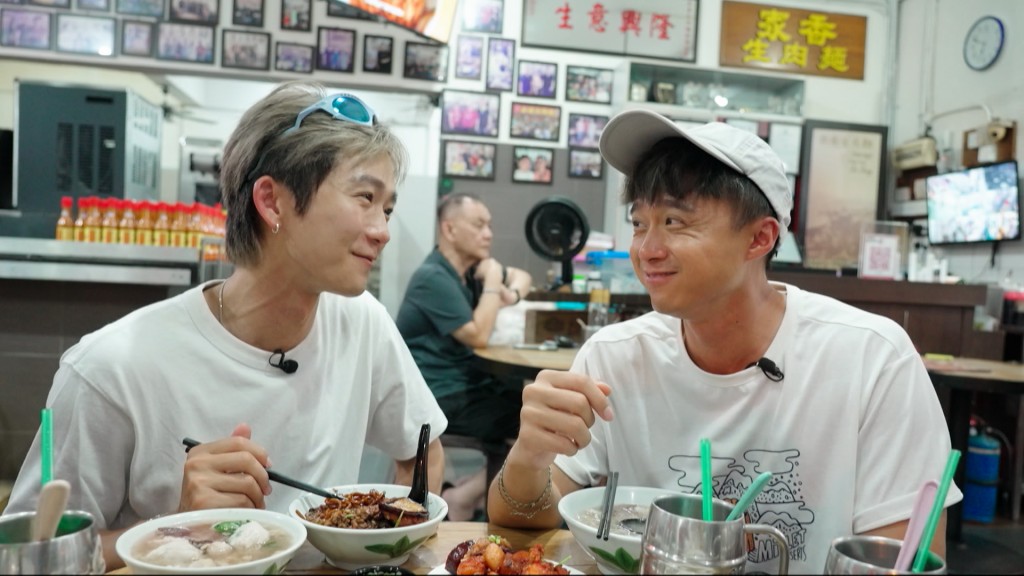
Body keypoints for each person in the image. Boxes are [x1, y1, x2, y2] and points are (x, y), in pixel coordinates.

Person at [486, 110, 960, 572]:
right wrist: (530, 455)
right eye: (639, 223)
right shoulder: (614, 356)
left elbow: (902, 559)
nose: (647, 250)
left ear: (759, 239)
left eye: (675, 222)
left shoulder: (871, 359)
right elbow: (522, 523)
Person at [4, 81, 448, 570]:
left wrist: (387, 549)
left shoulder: (363, 323)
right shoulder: (110, 368)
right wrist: (174, 526)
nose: (382, 231)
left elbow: (422, 454)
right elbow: (31, 558)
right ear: (272, 202)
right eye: (365, 197)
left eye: (387, 208)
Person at [396, 192, 532, 521]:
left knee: (530, 402)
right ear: (449, 229)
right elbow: (478, 334)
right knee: (533, 422)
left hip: (466, 384)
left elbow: (524, 278)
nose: (488, 234)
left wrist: (508, 291)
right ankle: (480, 500)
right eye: (479, 225)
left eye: (490, 226)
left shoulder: (467, 272)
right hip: (437, 394)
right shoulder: (433, 277)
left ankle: (465, 494)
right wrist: (493, 284)